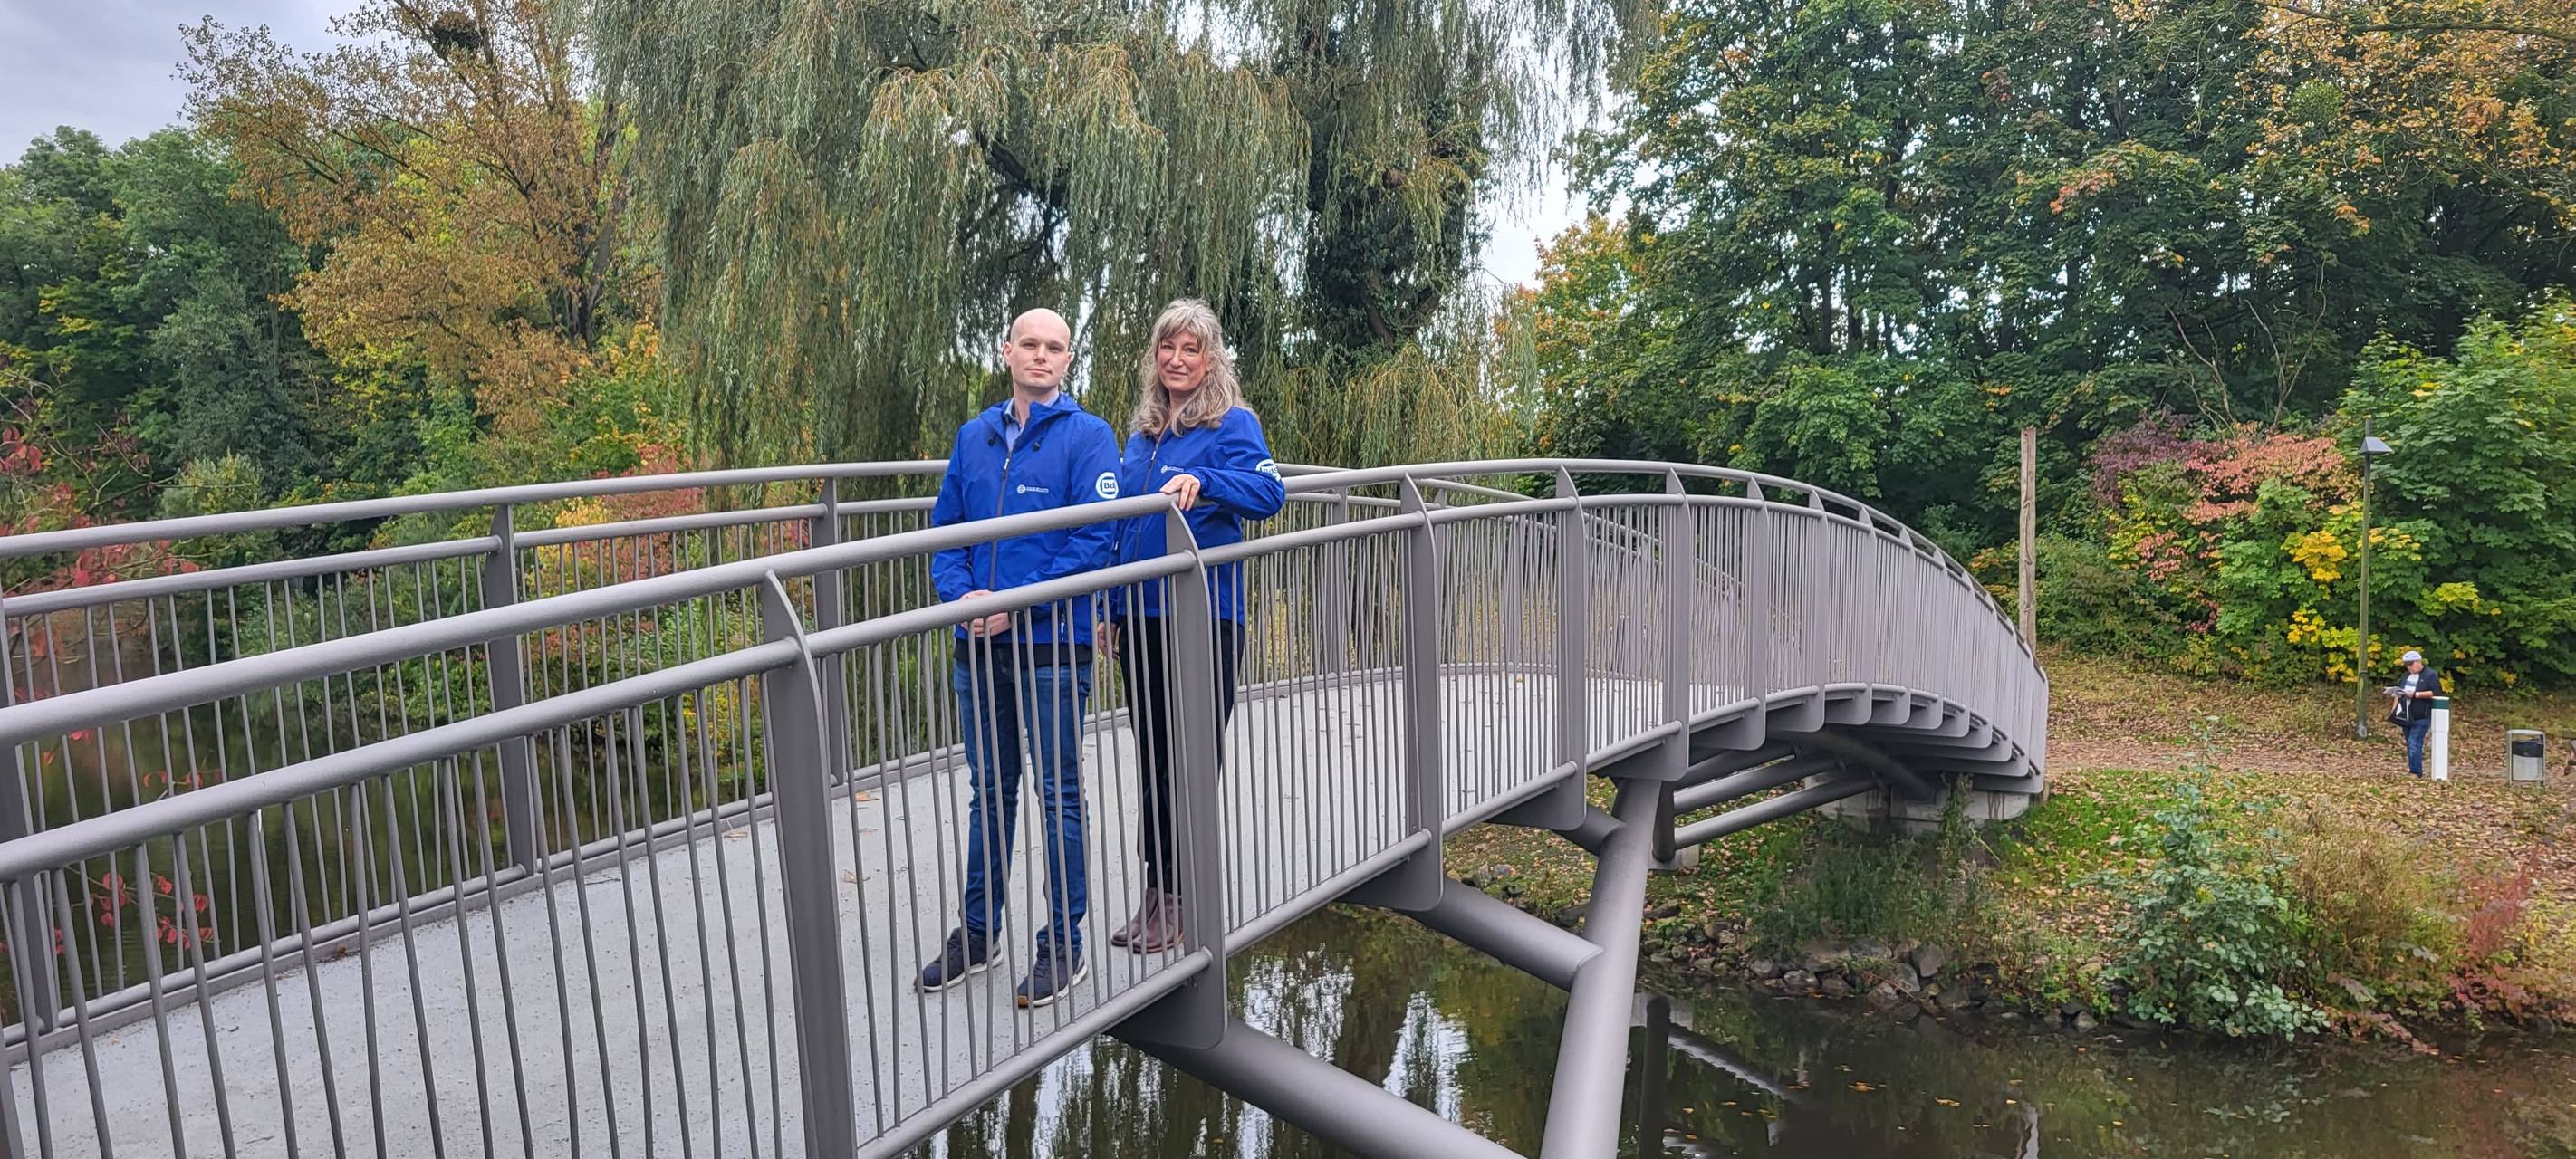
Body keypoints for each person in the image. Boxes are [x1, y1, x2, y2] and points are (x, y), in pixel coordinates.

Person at [918, 308, 1125, 1008]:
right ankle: (979, 933)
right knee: (990, 793)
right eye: (1029, 344)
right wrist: (967, 599)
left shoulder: (1090, 438)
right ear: (1006, 351)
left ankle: (1063, 945)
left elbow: (1094, 541)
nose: (1041, 356)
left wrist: (1016, 603)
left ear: (1069, 360)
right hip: (977, 645)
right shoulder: (973, 437)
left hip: (1053, 646)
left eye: (1055, 347)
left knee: (1060, 795)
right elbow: (946, 531)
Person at [1104, 299, 1285, 953]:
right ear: (1155, 358)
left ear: (1210, 359)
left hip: (1204, 615)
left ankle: (1183, 898)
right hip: (1142, 617)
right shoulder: (1143, 432)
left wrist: (1204, 481)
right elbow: (1122, 523)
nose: (1177, 360)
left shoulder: (1232, 423)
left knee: (1189, 758)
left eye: (1191, 350)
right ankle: (1156, 895)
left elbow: (1270, 494)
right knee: (1154, 757)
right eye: (1167, 349)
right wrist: (1109, 607)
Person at [2392, 649, 2446, 779]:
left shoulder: (2430, 675)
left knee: (2414, 742)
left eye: (2411, 664)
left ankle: (2415, 772)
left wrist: (2416, 695)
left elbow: (2436, 693)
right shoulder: (2405, 676)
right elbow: (2398, 694)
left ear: (2418, 662)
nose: (2409, 667)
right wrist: (2394, 710)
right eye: (2406, 665)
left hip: (2421, 714)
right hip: (2406, 714)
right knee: (2410, 743)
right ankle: (2414, 768)